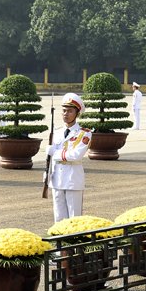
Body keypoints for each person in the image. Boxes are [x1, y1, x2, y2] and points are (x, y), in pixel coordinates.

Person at [47, 94, 91, 223]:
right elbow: (49, 158)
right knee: (58, 217)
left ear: (77, 114)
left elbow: (76, 155)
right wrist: (47, 173)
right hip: (57, 179)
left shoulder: (84, 133)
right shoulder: (57, 132)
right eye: (64, 111)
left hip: (73, 179)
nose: (65, 114)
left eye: (70, 111)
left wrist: (55, 152)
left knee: (74, 217)